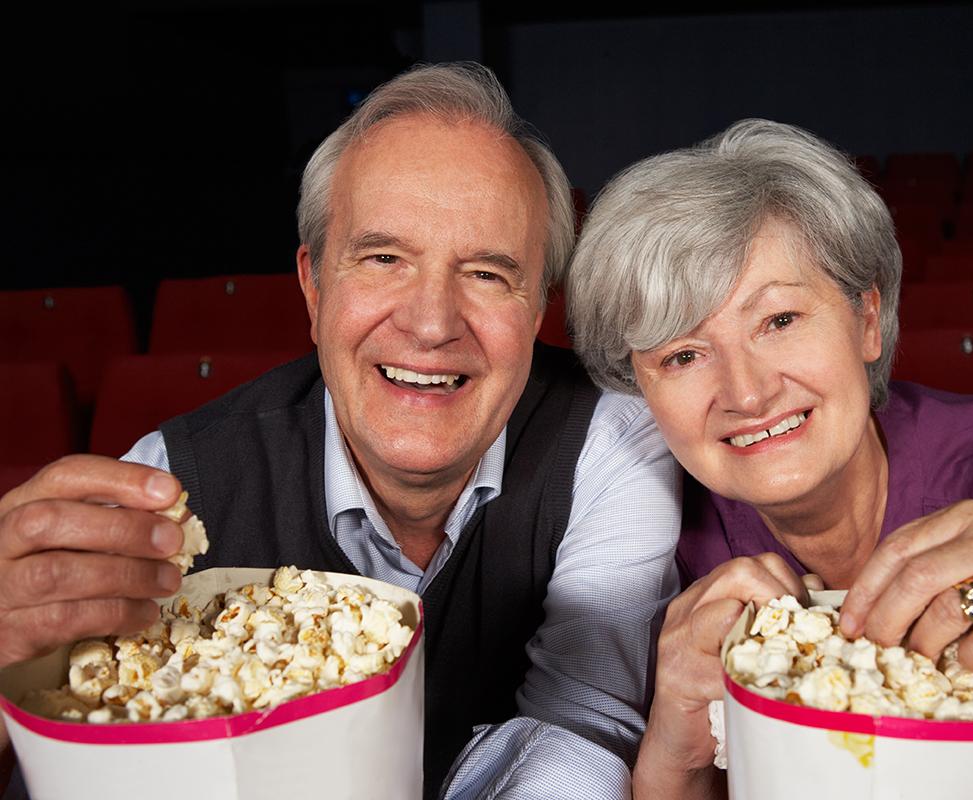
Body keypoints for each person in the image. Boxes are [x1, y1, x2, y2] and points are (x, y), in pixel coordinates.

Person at [0, 63, 680, 798]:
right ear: (313, 287)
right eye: (383, 259)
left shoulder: (612, 441)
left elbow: (581, 728)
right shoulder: (174, 479)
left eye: (487, 274)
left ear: (538, 306)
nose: (430, 324)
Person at [566, 119, 973, 798]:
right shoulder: (638, 538)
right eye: (683, 355)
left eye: (779, 320)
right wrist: (671, 746)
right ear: (641, 392)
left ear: (867, 321)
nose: (746, 393)